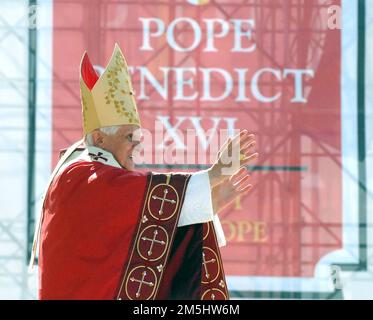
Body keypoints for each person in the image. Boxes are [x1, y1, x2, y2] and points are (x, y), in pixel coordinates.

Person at [29, 43, 258, 300]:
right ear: (99, 139)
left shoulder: (93, 175)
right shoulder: (81, 176)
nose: (137, 144)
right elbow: (128, 196)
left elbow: (129, 225)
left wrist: (205, 204)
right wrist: (212, 177)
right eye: (129, 136)